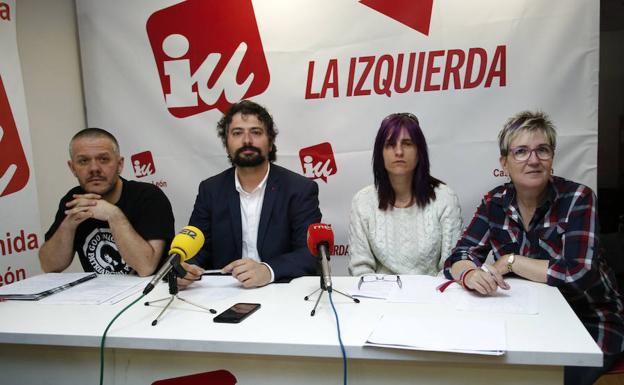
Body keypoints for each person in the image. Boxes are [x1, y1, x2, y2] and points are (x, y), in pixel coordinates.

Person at [443, 111, 624, 385]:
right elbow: (458, 257)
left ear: (552, 158)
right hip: (529, 318)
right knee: (480, 370)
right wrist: (469, 274)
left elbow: (577, 274)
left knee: (548, 379)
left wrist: (509, 261)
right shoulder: (495, 202)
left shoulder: (579, 198)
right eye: (521, 151)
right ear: (504, 162)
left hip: (588, 318)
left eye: (542, 150)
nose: (533, 160)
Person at [178, 100, 322, 288]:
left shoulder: (299, 189)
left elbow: (310, 254)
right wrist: (185, 268)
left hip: (281, 292)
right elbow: (198, 248)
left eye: (256, 132)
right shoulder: (210, 190)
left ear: (270, 143)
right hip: (224, 294)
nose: (246, 140)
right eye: (237, 133)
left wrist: (268, 270)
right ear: (226, 144)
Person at [39, 128, 175, 276]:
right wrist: (69, 224)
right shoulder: (73, 200)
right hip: (100, 296)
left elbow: (146, 267)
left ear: (120, 164)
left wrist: (114, 214)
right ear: (73, 168)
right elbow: (49, 266)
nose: (94, 168)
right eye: (83, 161)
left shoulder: (148, 196)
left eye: (103, 159)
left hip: (150, 294)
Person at [348, 112, 462, 276]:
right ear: (380, 153)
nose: (399, 151)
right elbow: (360, 269)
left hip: (432, 297)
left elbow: (451, 266)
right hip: (379, 297)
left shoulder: (445, 198)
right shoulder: (362, 201)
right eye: (390, 144)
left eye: (407, 144)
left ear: (419, 151)